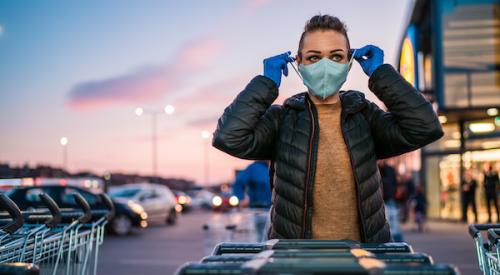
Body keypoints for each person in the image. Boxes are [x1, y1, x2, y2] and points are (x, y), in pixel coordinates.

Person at [212, 14, 444, 242]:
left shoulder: (365, 115)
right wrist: (266, 83)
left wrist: (381, 73)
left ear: (349, 62)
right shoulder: (282, 119)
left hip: (364, 257)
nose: (325, 65)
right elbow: (228, 137)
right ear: (299, 63)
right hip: (294, 260)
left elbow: (424, 127)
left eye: (336, 56)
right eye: (314, 58)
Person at [232, 161, 272, 242]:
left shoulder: (276, 168)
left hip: (274, 211)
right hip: (258, 210)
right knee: (260, 239)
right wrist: (241, 198)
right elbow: (238, 183)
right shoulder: (254, 168)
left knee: (271, 240)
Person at [378, 160, 403, 242]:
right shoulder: (376, 169)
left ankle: (398, 244)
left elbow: (394, 183)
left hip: (389, 199)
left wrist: (394, 192)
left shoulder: (390, 169)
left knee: (394, 222)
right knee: (384, 223)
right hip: (380, 200)